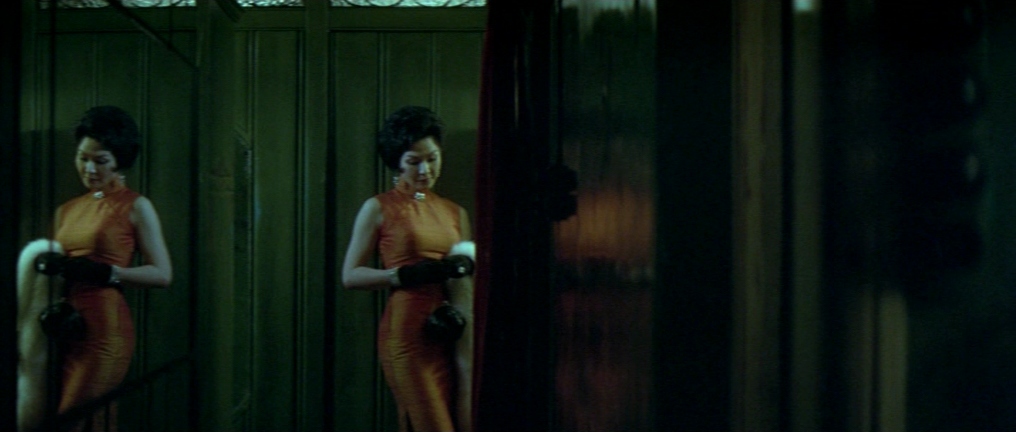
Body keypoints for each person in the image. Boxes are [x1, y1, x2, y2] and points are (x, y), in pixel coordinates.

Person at [35, 105, 173, 431]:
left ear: (119, 160)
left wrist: (109, 273)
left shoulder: (135, 205)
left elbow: (163, 274)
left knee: (70, 418)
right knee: (96, 421)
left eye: (100, 160)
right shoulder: (67, 210)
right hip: (66, 326)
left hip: (105, 330)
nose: (89, 168)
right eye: (82, 158)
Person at [342, 106, 475, 432]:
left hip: (449, 328)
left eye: (432, 158)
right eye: (414, 161)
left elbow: (468, 280)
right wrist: (401, 275)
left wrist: (464, 265)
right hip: (408, 335)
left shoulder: (454, 212)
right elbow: (350, 275)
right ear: (397, 162)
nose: (425, 170)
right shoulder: (379, 207)